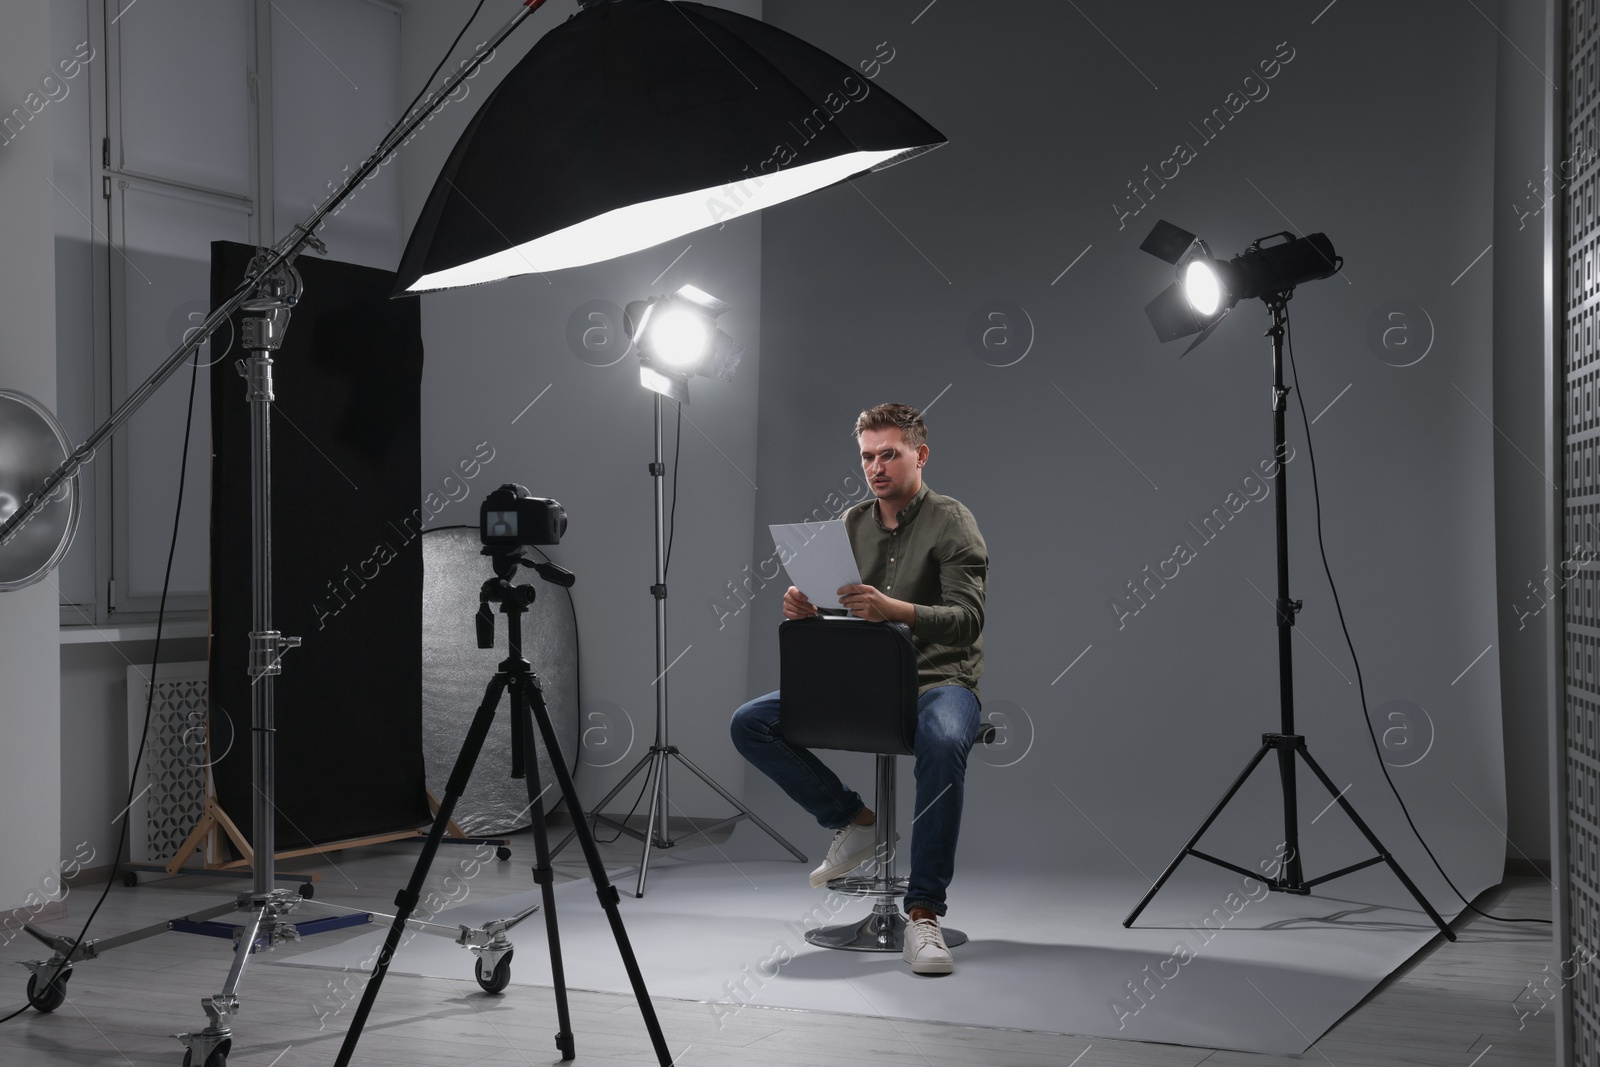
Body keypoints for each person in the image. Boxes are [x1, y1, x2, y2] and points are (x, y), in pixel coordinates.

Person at [729, 402, 988, 975]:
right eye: (868, 457)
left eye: (889, 454)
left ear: (920, 455)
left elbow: (968, 618)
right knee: (751, 722)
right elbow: (839, 614)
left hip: (938, 680)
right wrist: (805, 609)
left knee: (944, 740)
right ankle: (855, 820)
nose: (876, 467)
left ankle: (923, 916)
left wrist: (895, 609)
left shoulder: (953, 521)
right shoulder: (849, 523)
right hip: (864, 680)